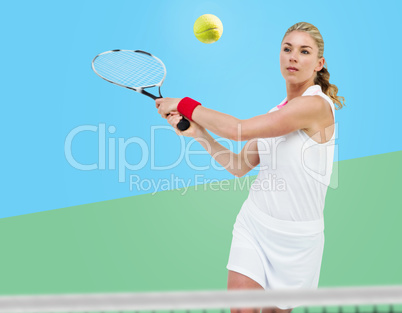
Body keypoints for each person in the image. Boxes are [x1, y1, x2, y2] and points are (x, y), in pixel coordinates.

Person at [155, 22, 345, 313]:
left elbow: (237, 129)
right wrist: (201, 136)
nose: (293, 56)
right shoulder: (275, 114)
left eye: (304, 51)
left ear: (319, 63)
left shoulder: (316, 107)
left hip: (297, 242)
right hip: (254, 225)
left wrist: (184, 103)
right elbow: (239, 165)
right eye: (287, 49)